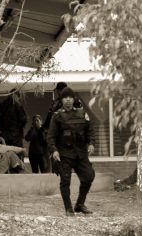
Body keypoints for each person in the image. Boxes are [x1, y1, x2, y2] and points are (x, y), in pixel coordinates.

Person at [47, 86, 95, 216]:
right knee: (65, 181)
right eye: (65, 98)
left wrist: (91, 143)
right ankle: (68, 209)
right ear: (62, 100)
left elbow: (89, 130)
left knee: (89, 177)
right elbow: (50, 136)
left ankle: (79, 204)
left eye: (70, 97)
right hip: (64, 155)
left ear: (73, 99)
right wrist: (54, 150)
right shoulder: (57, 117)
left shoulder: (82, 113)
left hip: (80, 153)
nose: (68, 100)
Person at [0, 89, 28, 161]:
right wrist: (19, 127)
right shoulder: (17, 105)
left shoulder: (2, 105)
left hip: (4, 136)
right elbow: (24, 120)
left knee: (6, 156)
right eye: (18, 96)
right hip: (16, 136)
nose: (19, 98)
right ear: (15, 95)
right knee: (17, 157)